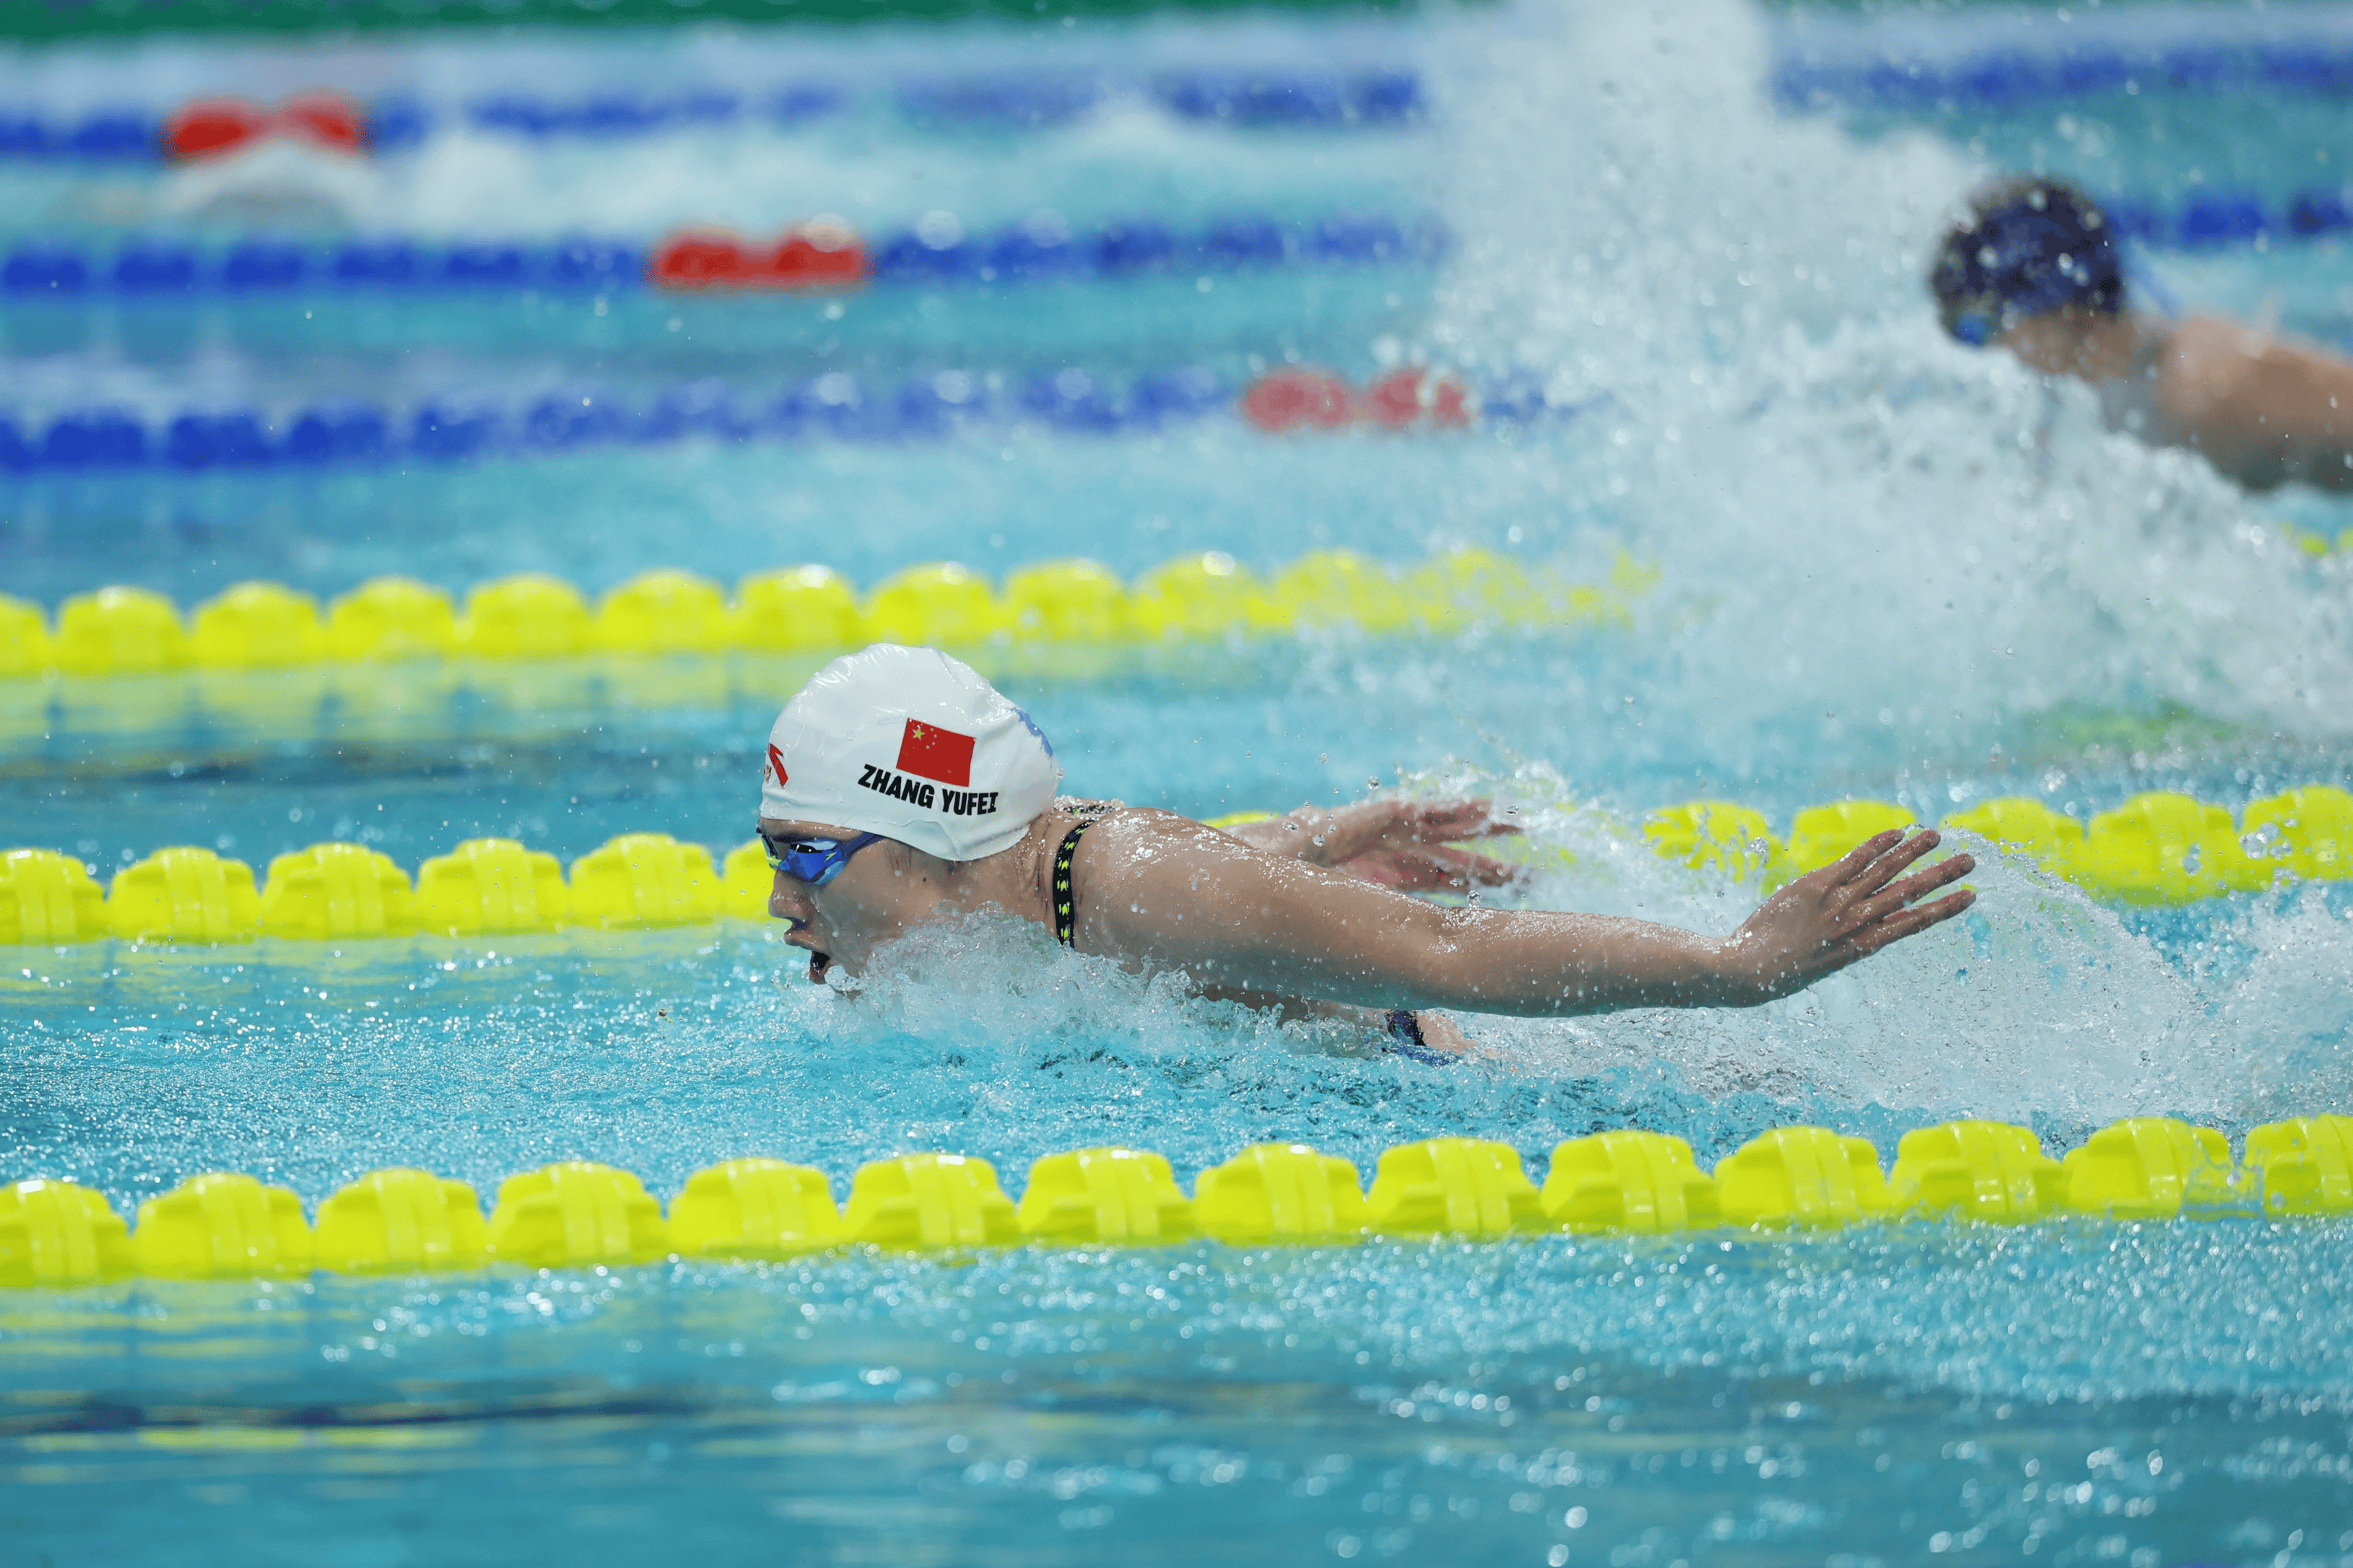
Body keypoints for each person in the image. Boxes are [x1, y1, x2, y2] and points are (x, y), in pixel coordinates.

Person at [754, 644, 1975, 1059]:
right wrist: (1324, 839)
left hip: (1474, 1083)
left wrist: (1737, 963)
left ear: (921, 838)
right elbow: (1198, 896)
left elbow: (1444, 949)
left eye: (804, 860)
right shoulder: (1038, 882)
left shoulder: (1121, 879)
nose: (775, 901)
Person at [1930, 175, 2353, 492]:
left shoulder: (2208, 386)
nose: (1977, 353)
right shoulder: (2078, 399)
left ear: (2064, 312)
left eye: (1975, 328)